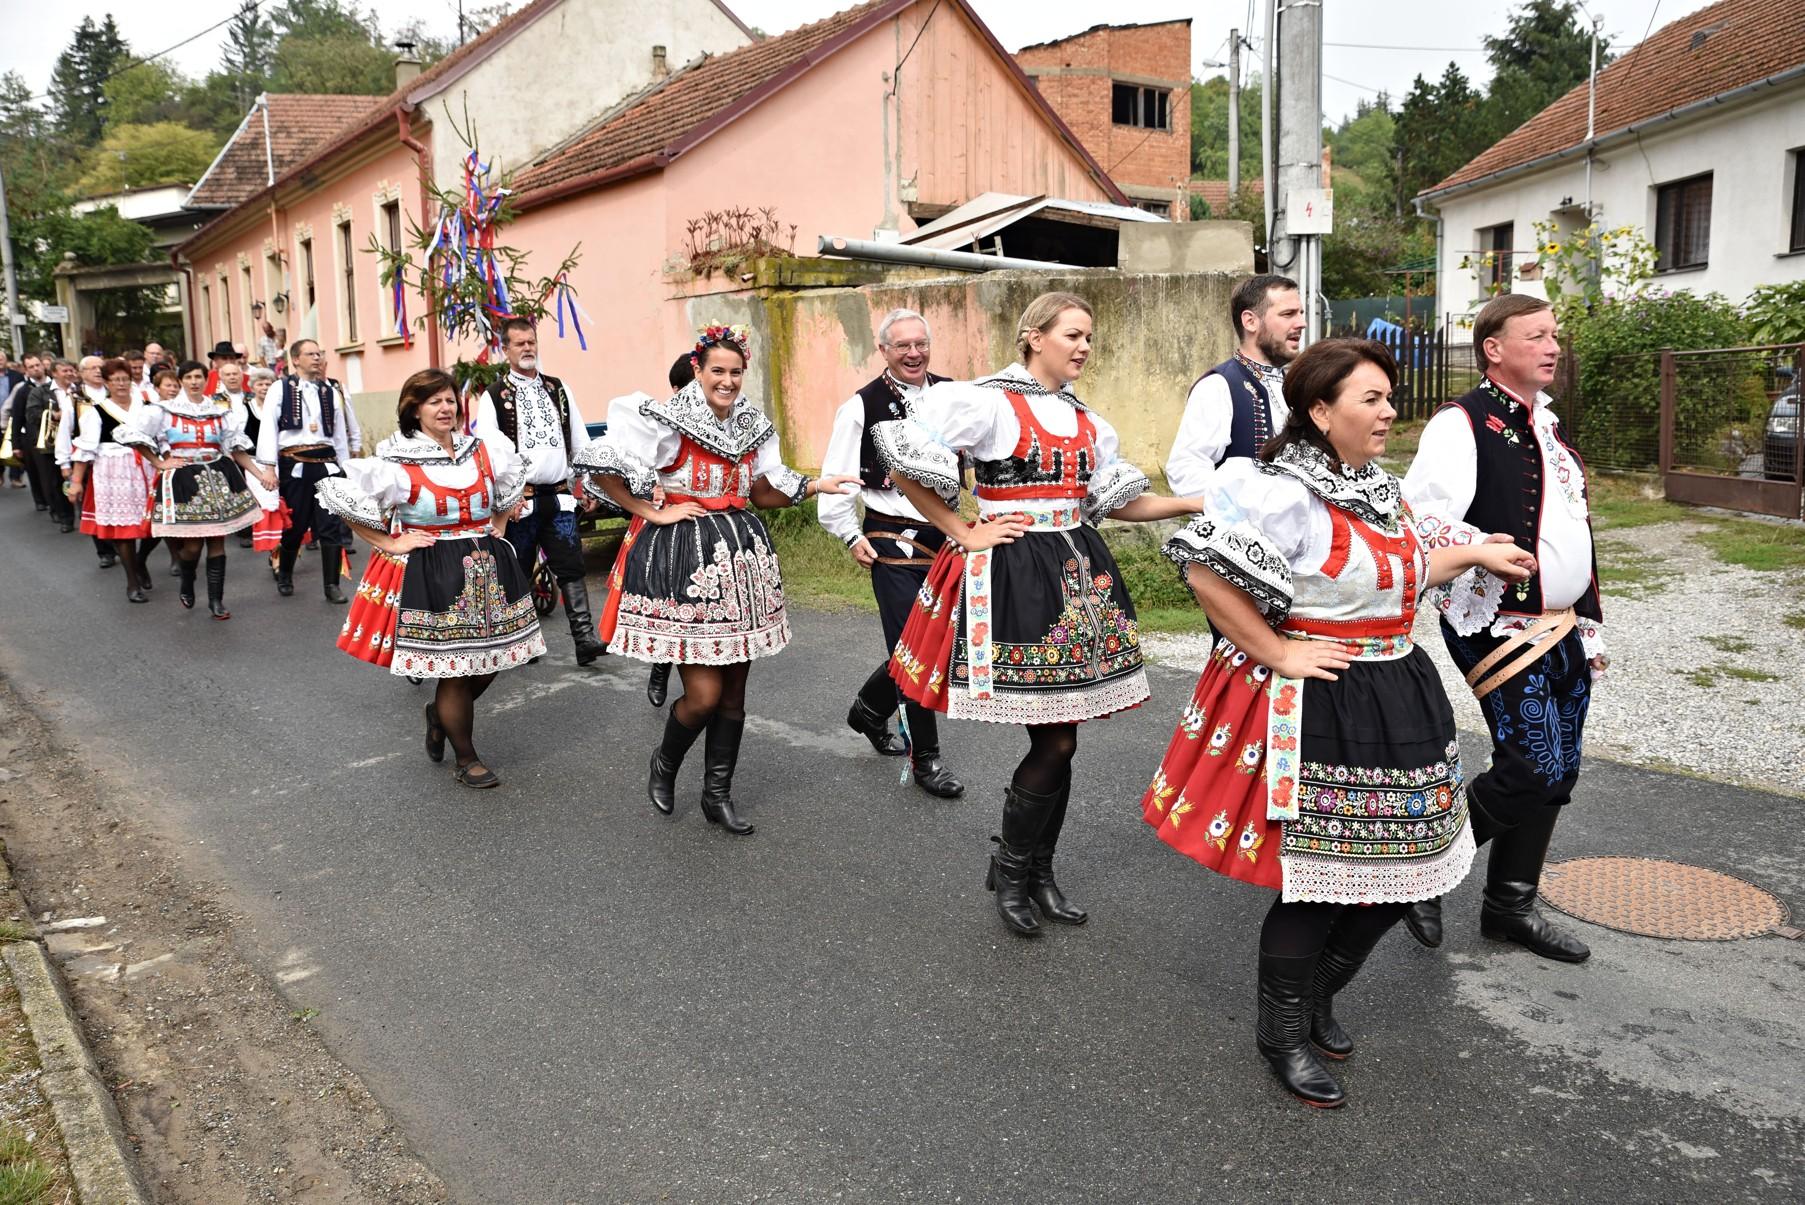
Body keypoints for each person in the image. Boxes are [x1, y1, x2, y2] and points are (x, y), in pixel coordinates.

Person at [1141, 338, 1537, 1108]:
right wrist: (1275, 650)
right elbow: (1203, 569)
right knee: (1318, 885)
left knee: (1401, 874)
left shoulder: (1378, 489)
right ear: (1320, 411)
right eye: (1371, 399)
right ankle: (1281, 1031)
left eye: (1389, 397)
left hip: (1398, 695)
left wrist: (1475, 555)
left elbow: (1400, 573)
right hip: (1324, 701)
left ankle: (1318, 993)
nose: (1389, 411)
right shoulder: (1277, 492)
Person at [869, 291, 1204, 935]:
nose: (1084, 347)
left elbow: (1115, 502)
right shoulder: (988, 401)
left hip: (1076, 577)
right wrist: (962, 530)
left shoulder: (1085, 419)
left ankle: (1035, 871)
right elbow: (902, 460)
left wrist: (1191, 502)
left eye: (1089, 337)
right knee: (1055, 739)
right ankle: (1014, 867)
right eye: (1073, 334)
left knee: (1064, 736)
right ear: (1034, 336)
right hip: (1016, 576)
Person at [573, 325, 859, 836]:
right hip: (686, 560)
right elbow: (602, 466)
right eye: (717, 371)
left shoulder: (751, 423)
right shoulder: (667, 419)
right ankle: (665, 762)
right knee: (703, 695)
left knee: (734, 694)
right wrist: (650, 510)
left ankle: (717, 794)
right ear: (698, 371)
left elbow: (762, 492)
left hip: (743, 562)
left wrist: (816, 484)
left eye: (735, 372)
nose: (727, 381)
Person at [1400, 294, 1606, 964]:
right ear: (1493, 348)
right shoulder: (1461, 422)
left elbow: (1574, 528)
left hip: (1562, 623)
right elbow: (1421, 517)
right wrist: (1480, 549)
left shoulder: (1548, 423)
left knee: (1558, 769)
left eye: (1554, 334)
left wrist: (1590, 621)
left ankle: (1509, 906)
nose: (1552, 346)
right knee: (1531, 767)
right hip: (1497, 620)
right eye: (1535, 335)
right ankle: (1421, 869)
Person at [319, 368, 544, 788]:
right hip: (436, 571)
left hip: (490, 567)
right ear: (415, 409)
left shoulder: (483, 450)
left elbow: (509, 490)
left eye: (449, 400)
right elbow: (344, 499)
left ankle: (439, 715)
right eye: (433, 401)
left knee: (493, 661)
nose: (445, 408)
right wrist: (390, 542)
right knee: (455, 670)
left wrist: (496, 526)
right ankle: (466, 758)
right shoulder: (398, 460)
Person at [816, 308, 962, 798]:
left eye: (921, 343)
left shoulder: (952, 396)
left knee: (932, 646)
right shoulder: (861, 406)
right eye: (902, 345)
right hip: (890, 540)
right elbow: (837, 477)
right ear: (883, 350)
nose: (914, 353)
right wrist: (848, 533)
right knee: (915, 651)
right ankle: (927, 761)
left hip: (946, 539)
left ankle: (868, 709)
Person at [472, 318, 607, 665]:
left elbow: (579, 441)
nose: (527, 348)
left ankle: (584, 640)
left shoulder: (557, 389)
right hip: (521, 501)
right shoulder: (493, 396)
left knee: (572, 566)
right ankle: (521, 644)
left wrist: (587, 483)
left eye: (531, 341)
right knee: (517, 571)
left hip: (559, 497)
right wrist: (506, 498)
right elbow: (489, 451)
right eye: (519, 343)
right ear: (505, 349)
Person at [116, 359, 269, 618]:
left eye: (198, 377)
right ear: (181, 381)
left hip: (218, 476)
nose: (194, 382)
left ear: (205, 380)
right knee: (193, 546)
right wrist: (159, 462)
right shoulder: (163, 411)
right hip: (184, 478)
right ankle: (187, 581)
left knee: (217, 542)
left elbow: (236, 448)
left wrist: (259, 474)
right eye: (188, 378)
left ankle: (216, 601)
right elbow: (132, 434)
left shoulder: (219, 411)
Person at [1166, 274, 1303, 498]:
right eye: (1288, 314)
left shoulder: (1297, 386)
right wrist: (1246, 505)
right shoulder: (1217, 387)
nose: (1301, 323)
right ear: (1250, 321)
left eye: (1300, 313)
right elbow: (1186, 472)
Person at [258, 339, 362, 603]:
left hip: (327, 463)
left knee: (331, 526)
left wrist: (345, 468)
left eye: (319, 353)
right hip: (294, 463)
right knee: (296, 526)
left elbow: (339, 434)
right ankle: (285, 573)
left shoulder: (331, 391)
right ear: (295, 359)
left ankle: (332, 585)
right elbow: (268, 427)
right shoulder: (280, 389)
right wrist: (268, 468)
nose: (317, 358)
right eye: (310, 354)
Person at [65, 358, 156, 601]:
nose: (121, 384)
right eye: (115, 380)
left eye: (125, 379)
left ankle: (141, 560)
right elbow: (85, 450)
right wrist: (76, 481)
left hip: (146, 467)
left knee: (157, 524)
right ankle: (132, 582)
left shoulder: (147, 406)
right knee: (123, 529)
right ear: (107, 383)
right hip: (113, 472)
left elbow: (160, 436)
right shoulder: (96, 412)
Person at [642, 352, 695, 709]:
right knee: (672, 599)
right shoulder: (664, 424)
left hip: (712, 526)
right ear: (676, 390)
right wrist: (653, 492)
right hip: (670, 523)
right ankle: (661, 666)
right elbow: (639, 464)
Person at [217, 359, 285, 554]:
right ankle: (274, 551)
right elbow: (237, 437)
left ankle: (284, 548)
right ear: (252, 387)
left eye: (268, 384)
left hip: (283, 461)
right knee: (267, 504)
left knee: (283, 503)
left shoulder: (281, 407)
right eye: (260, 384)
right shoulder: (245, 409)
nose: (264, 388)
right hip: (256, 462)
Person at [30, 360, 79, 531]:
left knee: (81, 479)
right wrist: (53, 415)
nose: (69, 373)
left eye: (71, 370)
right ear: (54, 373)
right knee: (56, 482)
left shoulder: (80, 390)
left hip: (77, 441)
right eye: (64, 370)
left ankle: (85, 514)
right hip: (52, 444)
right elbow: (32, 414)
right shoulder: (40, 392)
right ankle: (66, 517)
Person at [2, 355, 45, 495]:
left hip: (53, 436)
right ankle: (40, 500)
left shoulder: (54, 385)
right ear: (26, 370)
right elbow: (16, 416)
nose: (36, 369)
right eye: (31, 367)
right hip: (30, 436)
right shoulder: (22, 390)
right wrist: (15, 443)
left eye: (37, 365)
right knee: (35, 470)